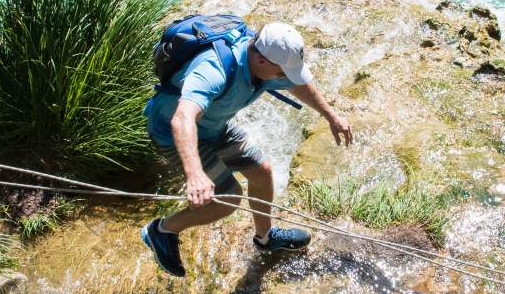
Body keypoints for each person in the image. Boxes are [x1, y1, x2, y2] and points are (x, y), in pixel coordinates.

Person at [140, 21, 352, 277]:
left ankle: (265, 239)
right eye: (282, 72)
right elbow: (182, 118)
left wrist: (331, 116)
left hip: (214, 127)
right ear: (262, 61)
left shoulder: (263, 65)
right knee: (228, 199)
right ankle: (162, 231)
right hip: (175, 134)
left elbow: (297, 85)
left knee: (262, 172)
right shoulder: (214, 69)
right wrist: (195, 174)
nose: (284, 78)